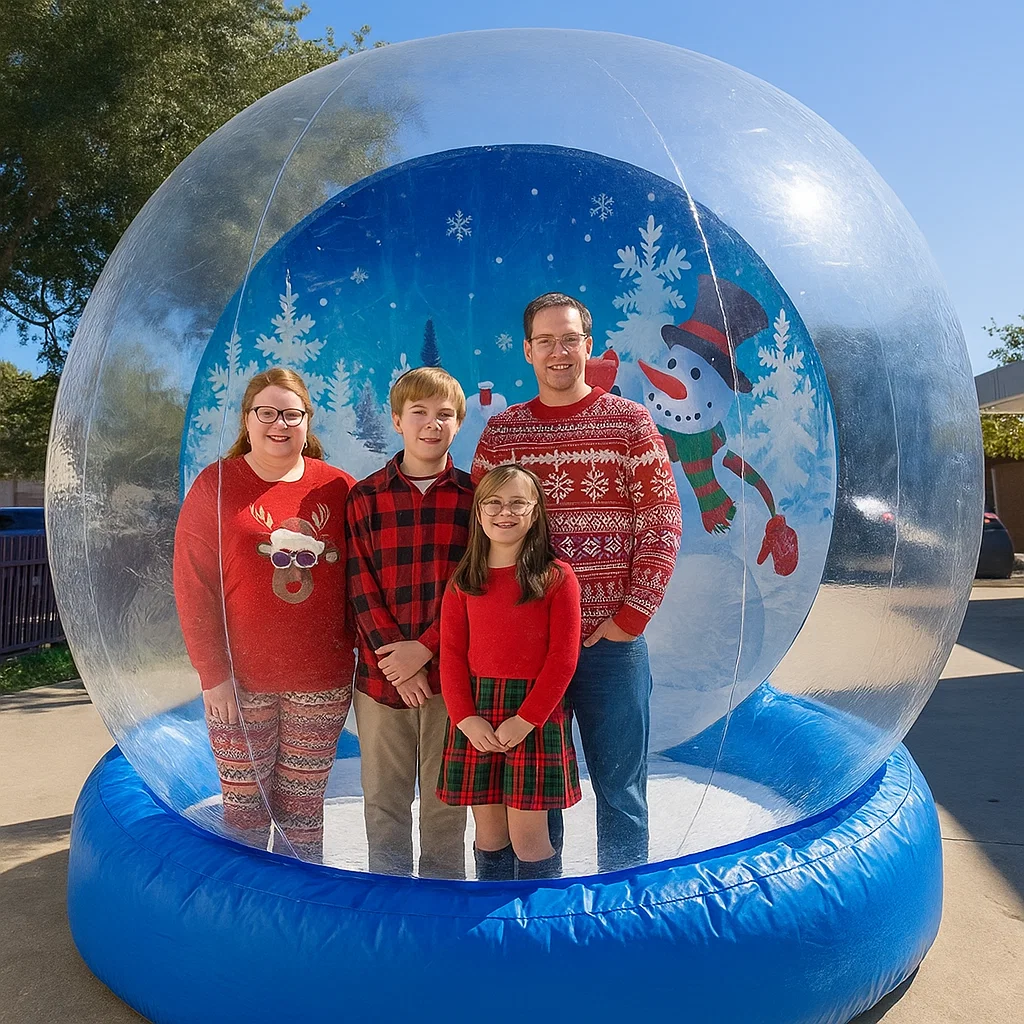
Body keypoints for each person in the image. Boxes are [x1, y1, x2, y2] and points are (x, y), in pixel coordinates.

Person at [472, 293, 682, 872]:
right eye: (546, 341)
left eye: (570, 339)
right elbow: (483, 537)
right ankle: (552, 921)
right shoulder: (504, 434)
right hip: (531, 652)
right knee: (540, 799)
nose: (558, 352)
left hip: (610, 646)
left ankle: (619, 918)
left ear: (588, 347)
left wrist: (630, 617)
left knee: (622, 791)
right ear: (527, 351)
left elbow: (661, 520)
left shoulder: (629, 422)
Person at [173, 368, 355, 863]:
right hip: (239, 684)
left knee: (303, 811)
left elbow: (364, 578)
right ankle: (247, 926)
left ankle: (299, 925)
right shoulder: (215, 485)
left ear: (307, 421)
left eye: (292, 414)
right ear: (247, 419)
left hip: (321, 679)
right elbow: (194, 588)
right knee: (244, 811)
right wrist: (214, 675)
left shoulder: (338, 488)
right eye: (268, 412)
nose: (280, 424)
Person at [345, 367, 472, 878]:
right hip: (380, 679)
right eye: (418, 413)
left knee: (446, 804)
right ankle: (389, 912)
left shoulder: (475, 500)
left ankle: (443, 912)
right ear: (397, 420)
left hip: (451, 678)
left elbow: (474, 589)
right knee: (384, 803)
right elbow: (359, 586)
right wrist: (398, 660)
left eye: (444, 414)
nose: (431, 424)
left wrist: (426, 649)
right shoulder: (366, 497)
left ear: (459, 423)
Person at [437, 464, 581, 880]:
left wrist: (527, 718)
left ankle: (537, 930)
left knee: (528, 836)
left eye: (518, 502)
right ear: (479, 513)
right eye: (494, 503)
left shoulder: (556, 577)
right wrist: (465, 718)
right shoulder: (463, 581)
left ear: (535, 512)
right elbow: (451, 655)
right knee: (490, 834)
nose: (506, 512)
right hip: (477, 714)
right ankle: (492, 929)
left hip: (531, 715)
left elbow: (563, 659)